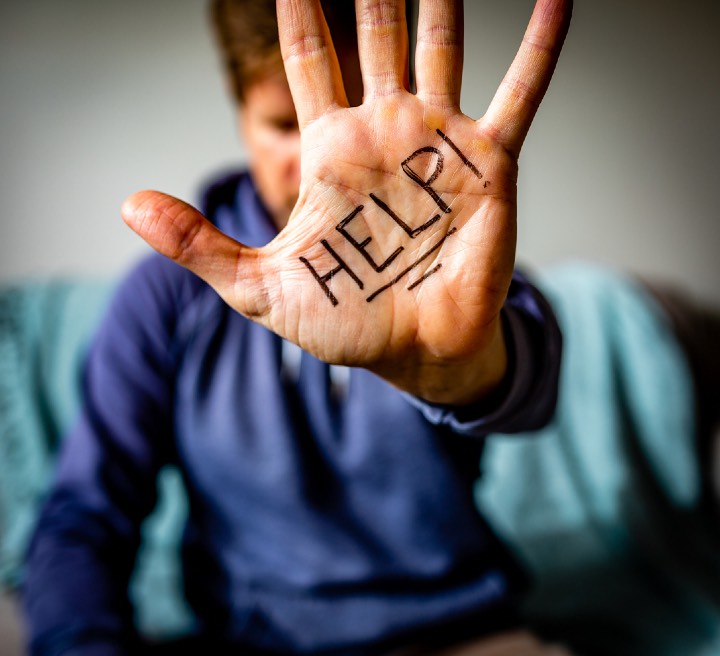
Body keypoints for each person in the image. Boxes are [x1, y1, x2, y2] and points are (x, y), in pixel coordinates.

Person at [23, 0, 575, 654]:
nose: (318, 160)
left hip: (464, 633)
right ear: (239, 116)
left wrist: (459, 371)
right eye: (283, 125)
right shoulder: (172, 296)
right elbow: (83, 521)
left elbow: (529, 371)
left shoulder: (446, 263)